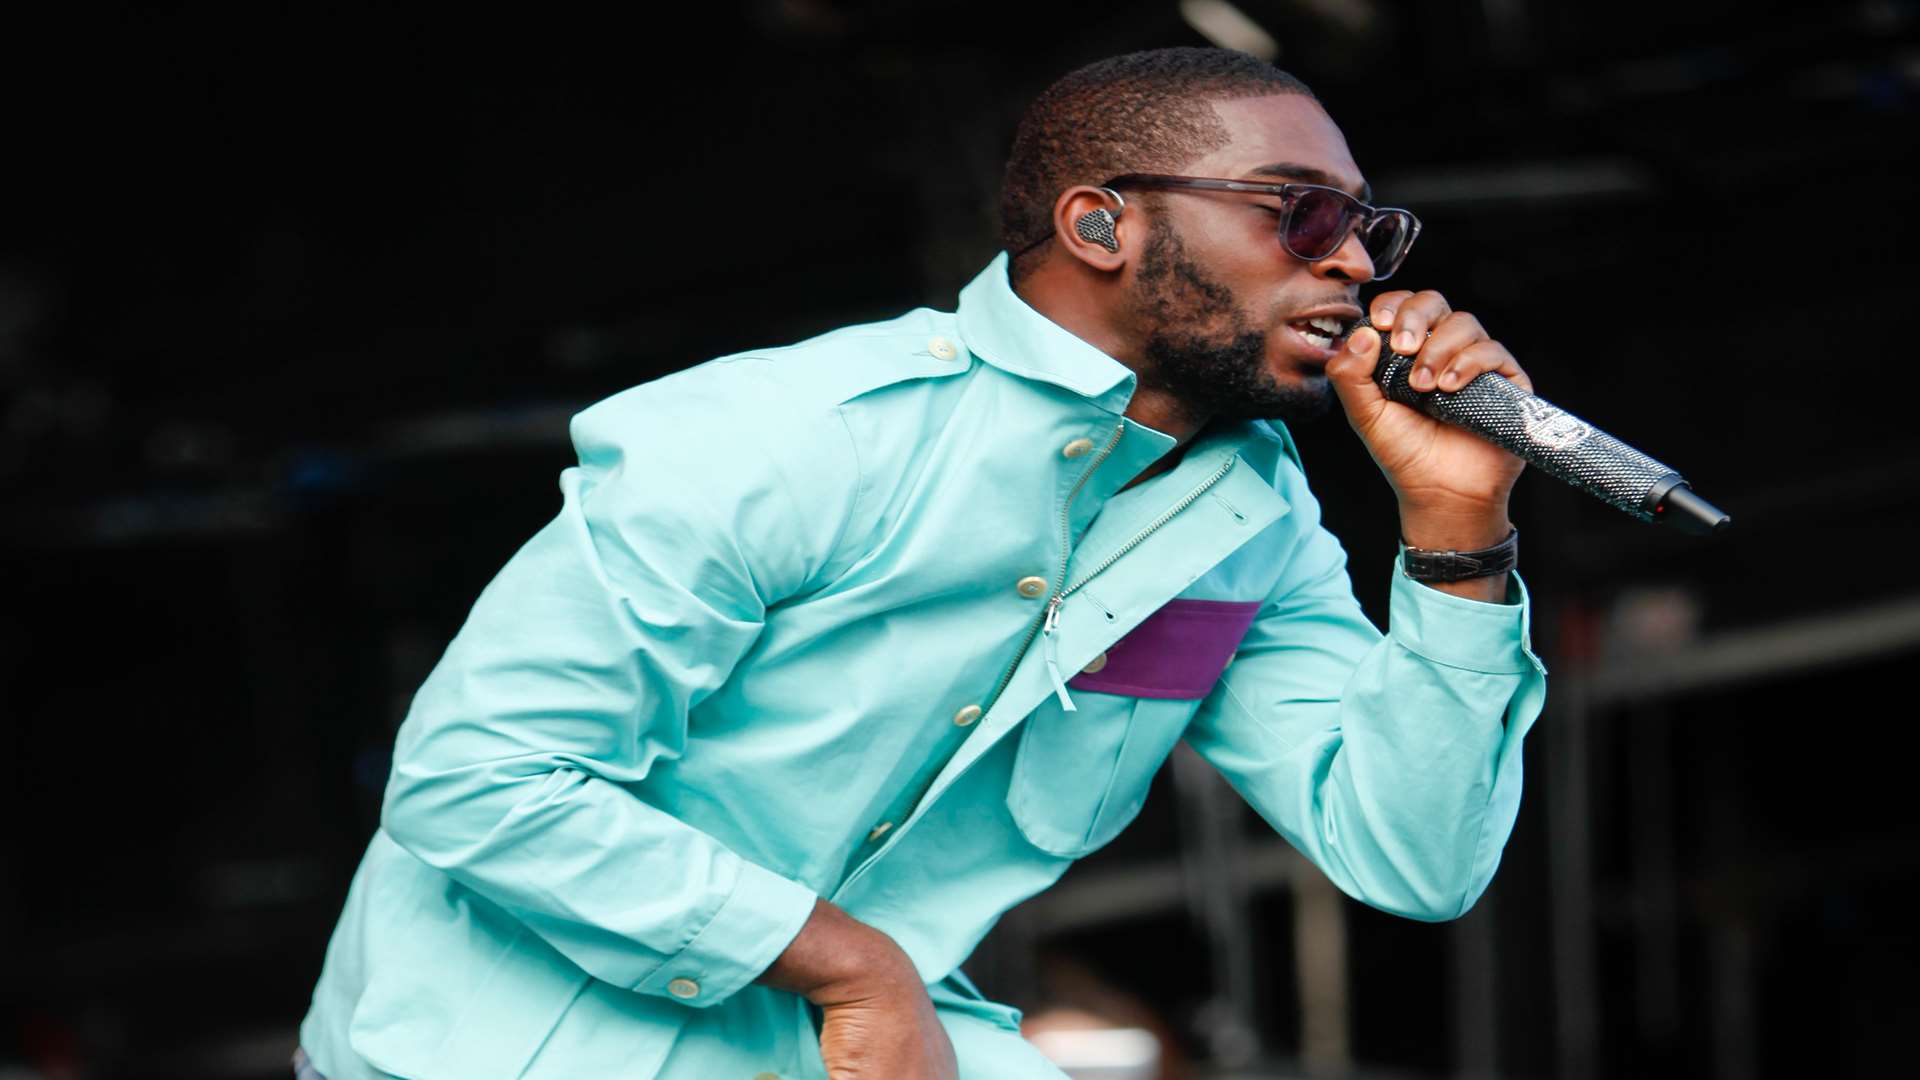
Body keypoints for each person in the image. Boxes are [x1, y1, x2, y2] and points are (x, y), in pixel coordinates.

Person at [295, 46, 1548, 1079]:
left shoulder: (1252, 529)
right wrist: (853, 964)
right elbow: (475, 777)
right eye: (1303, 213)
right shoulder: (796, 438)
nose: (1353, 262)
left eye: (1370, 228)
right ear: (1100, 223)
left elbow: (1416, 857)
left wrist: (1456, 531)